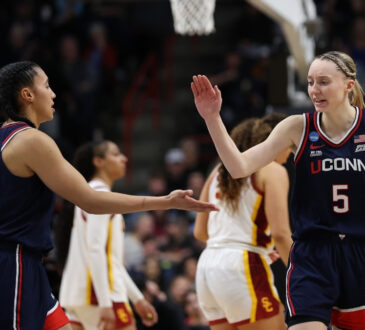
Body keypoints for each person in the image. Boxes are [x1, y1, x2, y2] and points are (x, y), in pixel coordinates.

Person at [0, 60, 217, 330]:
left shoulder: (8, 138)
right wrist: (166, 201)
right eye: (46, 85)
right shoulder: (31, 140)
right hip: (16, 262)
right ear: (27, 95)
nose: (53, 93)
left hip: (30, 266)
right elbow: (91, 201)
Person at [191, 50, 365, 330]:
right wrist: (212, 118)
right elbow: (239, 167)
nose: (314, 90)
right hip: (312, 255)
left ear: (348, 85)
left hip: (358, 252)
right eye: (310, 82)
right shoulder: (297, 126)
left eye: (323, 82)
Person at [194, 115, 292, 330]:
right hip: (242, 265)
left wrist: (244, 244)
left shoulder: (216, 172)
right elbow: (281, 234)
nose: (291, 151)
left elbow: (200, 232)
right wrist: (301, 272)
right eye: (289, 144)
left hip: (207, 267)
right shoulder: (272, 169)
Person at [58, 140, 158, 330]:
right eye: (115, 154)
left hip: (78, 296)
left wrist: (137, 299)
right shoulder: (99, 196)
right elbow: (96, 250)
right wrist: (105, 303)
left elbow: (111, 261)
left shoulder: (87, 193)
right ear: (99, 162)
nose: (124, 158)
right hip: (96, 295)